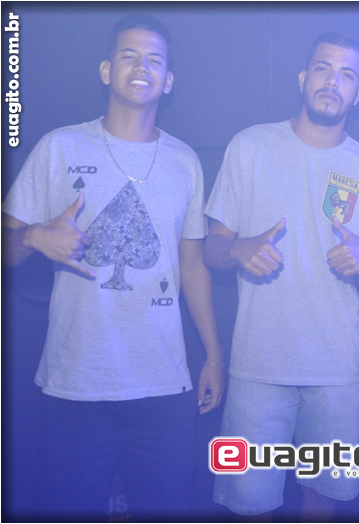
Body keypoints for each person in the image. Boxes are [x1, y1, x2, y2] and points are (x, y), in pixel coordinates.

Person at [1, 14, 225, 520]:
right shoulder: (60, 147)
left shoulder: (185, 161)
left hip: (164, 383)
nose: (141, 66)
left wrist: (214, 356)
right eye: (129, 55)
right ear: (106, 70)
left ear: (168, 80)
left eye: (154, 59)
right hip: (77, 381)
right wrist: (32, 237)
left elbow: (193, 267)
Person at [203, 32, 359, 521]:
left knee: (322, 501)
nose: (333, 82)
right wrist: (239, 249)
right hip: (257, 365)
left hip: (337, 369)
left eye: (346, 75)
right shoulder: (250, 146)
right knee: (249, 506)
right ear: (304, 78)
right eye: (323, 69)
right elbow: (212, 248)